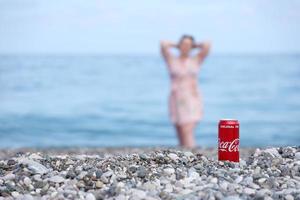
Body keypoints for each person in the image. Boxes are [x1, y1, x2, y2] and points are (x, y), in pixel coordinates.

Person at [160, 35, 211, 148]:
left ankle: (191, 153)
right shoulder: (171, 59)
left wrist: (194, 46)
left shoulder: (196, 59)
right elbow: (163, 43)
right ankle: (183, 155)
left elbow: (207, 44)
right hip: (176, 97)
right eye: (183, 44)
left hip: (191, 97)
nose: (185, 47)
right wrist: (177, 46)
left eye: (188, 45)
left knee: (187, 128)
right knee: (179, 128)